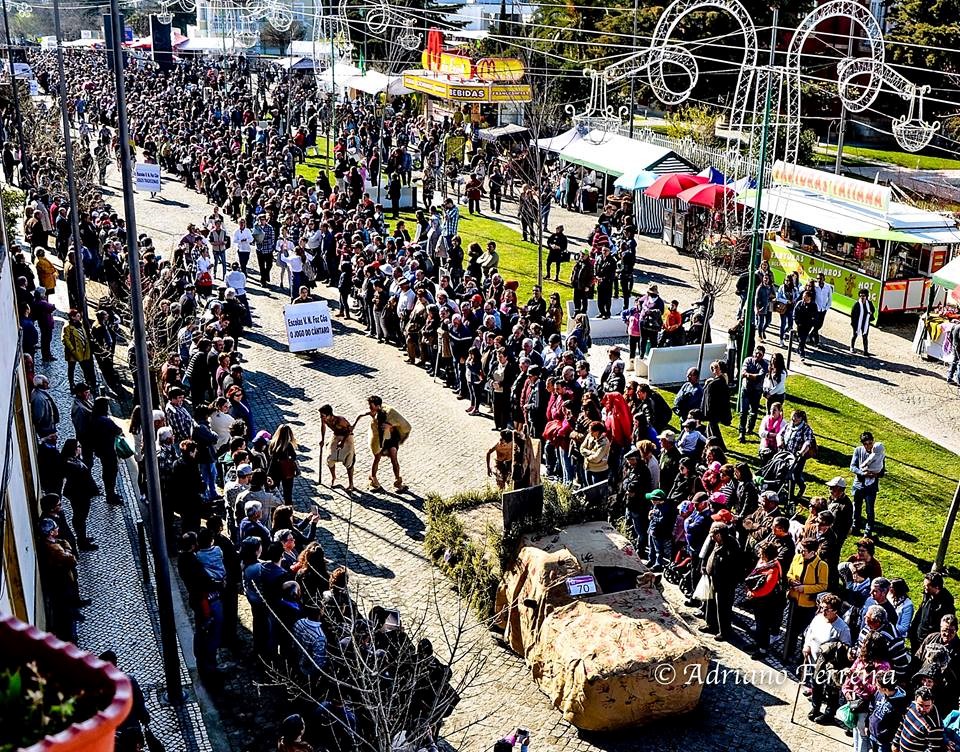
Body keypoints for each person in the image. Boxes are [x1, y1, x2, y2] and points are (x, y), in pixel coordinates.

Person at [783, 539, 829, 662]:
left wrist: (804, 588)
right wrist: (792, 580)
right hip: (794, 600)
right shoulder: (797, 558)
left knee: (805, 632)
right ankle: (787, 654)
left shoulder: (822, 566)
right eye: (801, 550)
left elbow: (823, 585)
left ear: (813, 552)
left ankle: (802, 658)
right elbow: (789, 573)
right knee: (791, 630)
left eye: (804, 551)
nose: (801, 552)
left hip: (808, 604)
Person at [357, 395, 411, 492]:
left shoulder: (389, 412)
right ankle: (373, 480)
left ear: (377, 406)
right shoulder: (374, 413)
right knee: (377, 458)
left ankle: (398, 482)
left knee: (394, 458)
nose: (370, 408)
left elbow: (400, 422)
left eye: (371, 406)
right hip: (379, 439)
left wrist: (390, 425)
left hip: (391, 439)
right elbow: (362, 415)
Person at [745, 541, 784, 657]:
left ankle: (763, 649)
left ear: (767, 555)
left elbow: (767, 588)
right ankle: (758, 644)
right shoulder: (763, 562)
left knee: (764, 626)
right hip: (759, 600)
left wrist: (753, 593)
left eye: (761, 553)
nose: (759, 554)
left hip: (767, 602)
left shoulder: (773, 568)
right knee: (759, 623)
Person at [851, 430, 886, 538]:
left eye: (870, 443)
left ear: (873, 441)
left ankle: (868, 529)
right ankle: (855, 525)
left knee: (869, 509)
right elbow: (853, 467)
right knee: (856, 507)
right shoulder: (858, 451)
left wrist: (875, 475)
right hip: (859, 485)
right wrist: (863, 473)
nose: (868, 446)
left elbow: (882, 472)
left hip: (871, 488)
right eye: (865, 444)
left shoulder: (879, 453)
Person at [911, 572, 956, 650]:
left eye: (927, 586)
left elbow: (944, 627)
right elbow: (920, 613)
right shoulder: (928, 595)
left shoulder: (945, 605)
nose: (924, 587)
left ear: (937, 587)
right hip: (918, 637)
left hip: (930, 642)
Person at [892, 686, 942, 752]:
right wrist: (895, 742)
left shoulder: (935, 726)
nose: (922, 709)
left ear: (932, 702)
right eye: (920, 705)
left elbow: (934, 749)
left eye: (927, 706)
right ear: (915, 700)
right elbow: (903, 723)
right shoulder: (912, 705)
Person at [318, 404, 356, 491]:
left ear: (329, 415)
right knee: (330, 458)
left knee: (349, 460)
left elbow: (349, 430)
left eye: (323, 416)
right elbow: (323, 427)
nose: (321, 418)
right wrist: (322, 440)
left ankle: (351, 484)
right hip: (336, 435)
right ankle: (334, 477)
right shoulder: (324, 420)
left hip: (347, 436)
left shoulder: (340, 420)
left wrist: (342, 443)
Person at [738, 345, 768, 442]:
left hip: (756, 391)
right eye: (756, 353)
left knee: (753, 411)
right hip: (745, 389)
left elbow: (759, 377)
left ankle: (750, 427)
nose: (757, 355)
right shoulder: (748, 360)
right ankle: (741, 432)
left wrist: (748, 375)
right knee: (743, 412)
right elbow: (742, 373)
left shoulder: (764, 365)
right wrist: (750, 375)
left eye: (760, 354)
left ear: (763, 356)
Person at [62, 308, 96, 390]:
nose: (79, 317)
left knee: (85, 368)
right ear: (72, 317)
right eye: (77, 316)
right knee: (71, 369)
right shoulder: (67, 327)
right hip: (73, 353)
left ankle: (88, 382)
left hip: (83, 351)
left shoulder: (80, 324)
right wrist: (73, 350)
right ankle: (71, 383)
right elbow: (65, 340)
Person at [701, 360, 731, 451]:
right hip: (716, 409)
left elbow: (712, 398)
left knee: (713, 428)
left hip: (714, 410)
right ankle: (711, 443)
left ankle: (720, 446)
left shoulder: (717, 383)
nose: (714, 369)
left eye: (716, 367)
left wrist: (708, 411)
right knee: (711, 427)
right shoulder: (720, 381)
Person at [267, 425, 299, 505]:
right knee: (287, 493)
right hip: (286, 471)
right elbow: (294, 456)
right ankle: (288, 510)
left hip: (274, 470)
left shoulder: (273, 444)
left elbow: (270, 456)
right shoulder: (288, 445)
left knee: (274, 490)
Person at [850, 288, 875, 356]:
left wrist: (870, 313)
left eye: (863, 296)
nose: (862, 297)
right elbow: (853, 314)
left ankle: (865, 351)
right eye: (860, 296)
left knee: (865, 336)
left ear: (866, 296)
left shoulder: (869, 303)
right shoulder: (857, 304)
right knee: (855, 335)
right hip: (857, 323)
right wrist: (853, 324)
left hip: (865, 323)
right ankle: (852, 347)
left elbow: (873, 309)